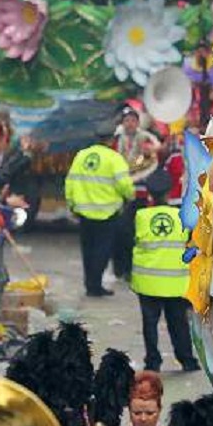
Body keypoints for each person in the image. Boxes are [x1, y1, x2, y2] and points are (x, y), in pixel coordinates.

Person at [130, 190, 200, 373]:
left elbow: (129, 242)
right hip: (176, 282)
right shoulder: (182, 216)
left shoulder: (141, 216)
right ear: (169, 194)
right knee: (178, 323)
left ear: (150, 197)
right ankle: (187, 360)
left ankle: (153, 362)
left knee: (150, 324)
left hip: (148, 282)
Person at [65, 125, 135, 297]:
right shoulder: (114, 158)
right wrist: (130, 196)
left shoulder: (81, 156)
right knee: (102, 250)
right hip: (107, 212)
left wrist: (72, 204)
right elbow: (124, 184)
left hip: (84, 211)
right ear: (111, 140)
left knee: (87, 249)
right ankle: (95, 285)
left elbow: (70, 181)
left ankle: (90, 284)